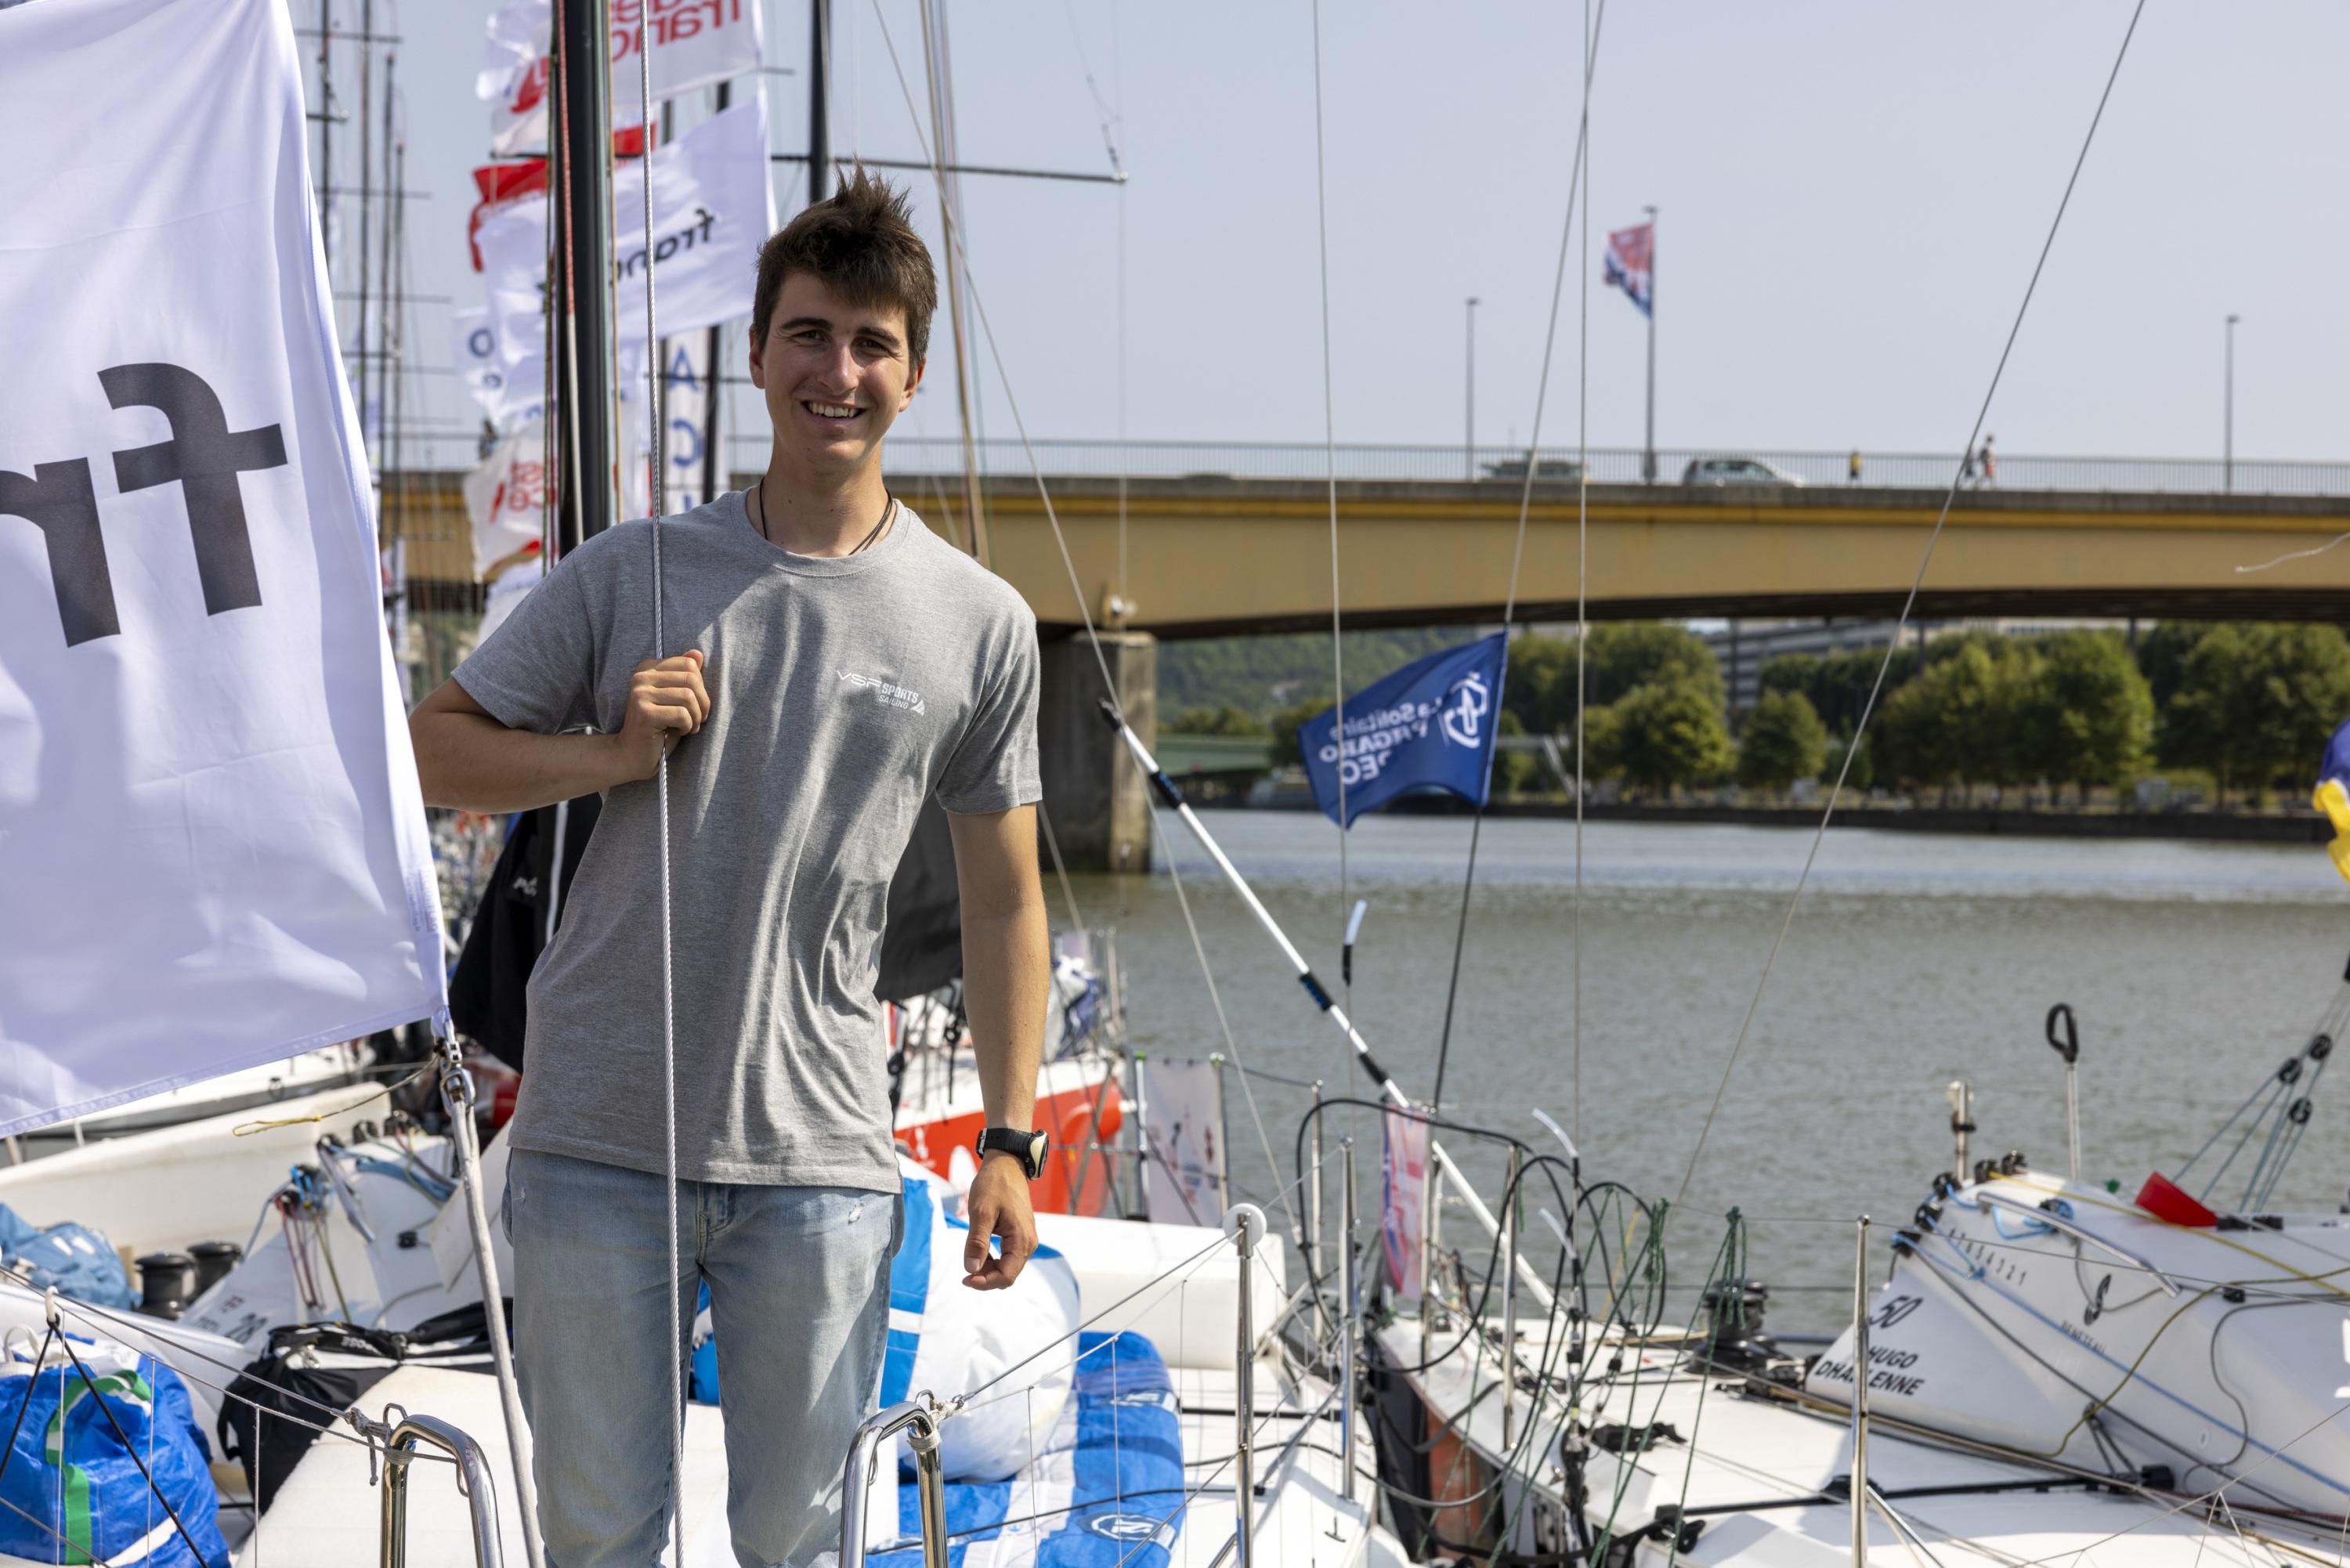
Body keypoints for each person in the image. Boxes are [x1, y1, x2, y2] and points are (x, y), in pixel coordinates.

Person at [407, 172, 1052, 1568]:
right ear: (759, 354)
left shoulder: (981, 622)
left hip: (822, 1155)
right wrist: (605, 753)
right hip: (593, 1140)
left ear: (915, 373)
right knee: (594, 1540)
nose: (841, 371)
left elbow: (1006, 897)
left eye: (873, 343)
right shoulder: (627, 572)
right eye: (811, 335)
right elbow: (430, 755)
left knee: (803, 1543)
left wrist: (1008, 1135)